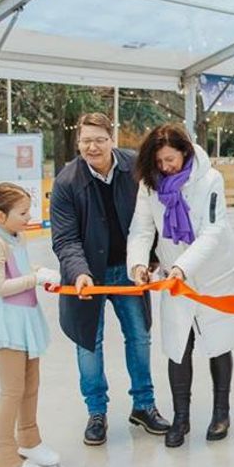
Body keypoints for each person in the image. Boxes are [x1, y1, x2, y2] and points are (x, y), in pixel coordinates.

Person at [126, 124, 234, 448]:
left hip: (213, 273)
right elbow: (142, 228)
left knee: (219, 341)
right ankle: (181, 418)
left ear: (184, 151)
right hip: (174, 276)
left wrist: (184, 267)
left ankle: (221, 413)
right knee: (178, 345)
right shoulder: (149, 184)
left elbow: (213, 230)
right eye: (159, 162)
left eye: (170, 159)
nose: (165, 167)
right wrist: (138, 263)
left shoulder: (210, 180)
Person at [50, 113, 169, 446]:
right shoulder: (66, 183)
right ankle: (96, 412)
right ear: (78, 142)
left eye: (99, 140)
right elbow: (65, 239)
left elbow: (153, 217)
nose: (93, 147)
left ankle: (143, 405)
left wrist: (151, 258)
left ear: (111, 139)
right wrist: (80, 273)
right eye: (86, 140)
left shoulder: (135, 167)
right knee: (90, 343)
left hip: (129, 271)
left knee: (139, 337)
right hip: (89, 278)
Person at [0, 183, 60, 467]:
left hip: (27, 320)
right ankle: (3, 458)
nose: (29, 217)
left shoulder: (17, 237)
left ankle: (29, 439)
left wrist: (41, 271)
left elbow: (21, 267)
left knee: (30, 385)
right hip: (8, 325)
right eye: (22, 213)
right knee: (11, 391)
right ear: (0, 216)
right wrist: (34, 278)